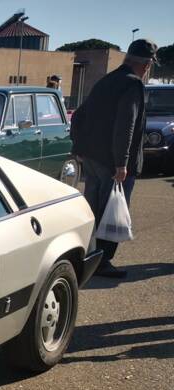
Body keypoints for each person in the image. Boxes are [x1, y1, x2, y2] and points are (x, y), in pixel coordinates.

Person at [71, 38, 157, 278]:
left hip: (92, 157)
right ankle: (102, 260)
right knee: (112, 212)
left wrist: (79, 147)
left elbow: (78, 115)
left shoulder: (106, 80)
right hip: (112, 162)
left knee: (92, 208)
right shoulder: (133, 85)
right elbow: (126, 126)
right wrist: (122, 163)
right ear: (147, 64)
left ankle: (87, 254)